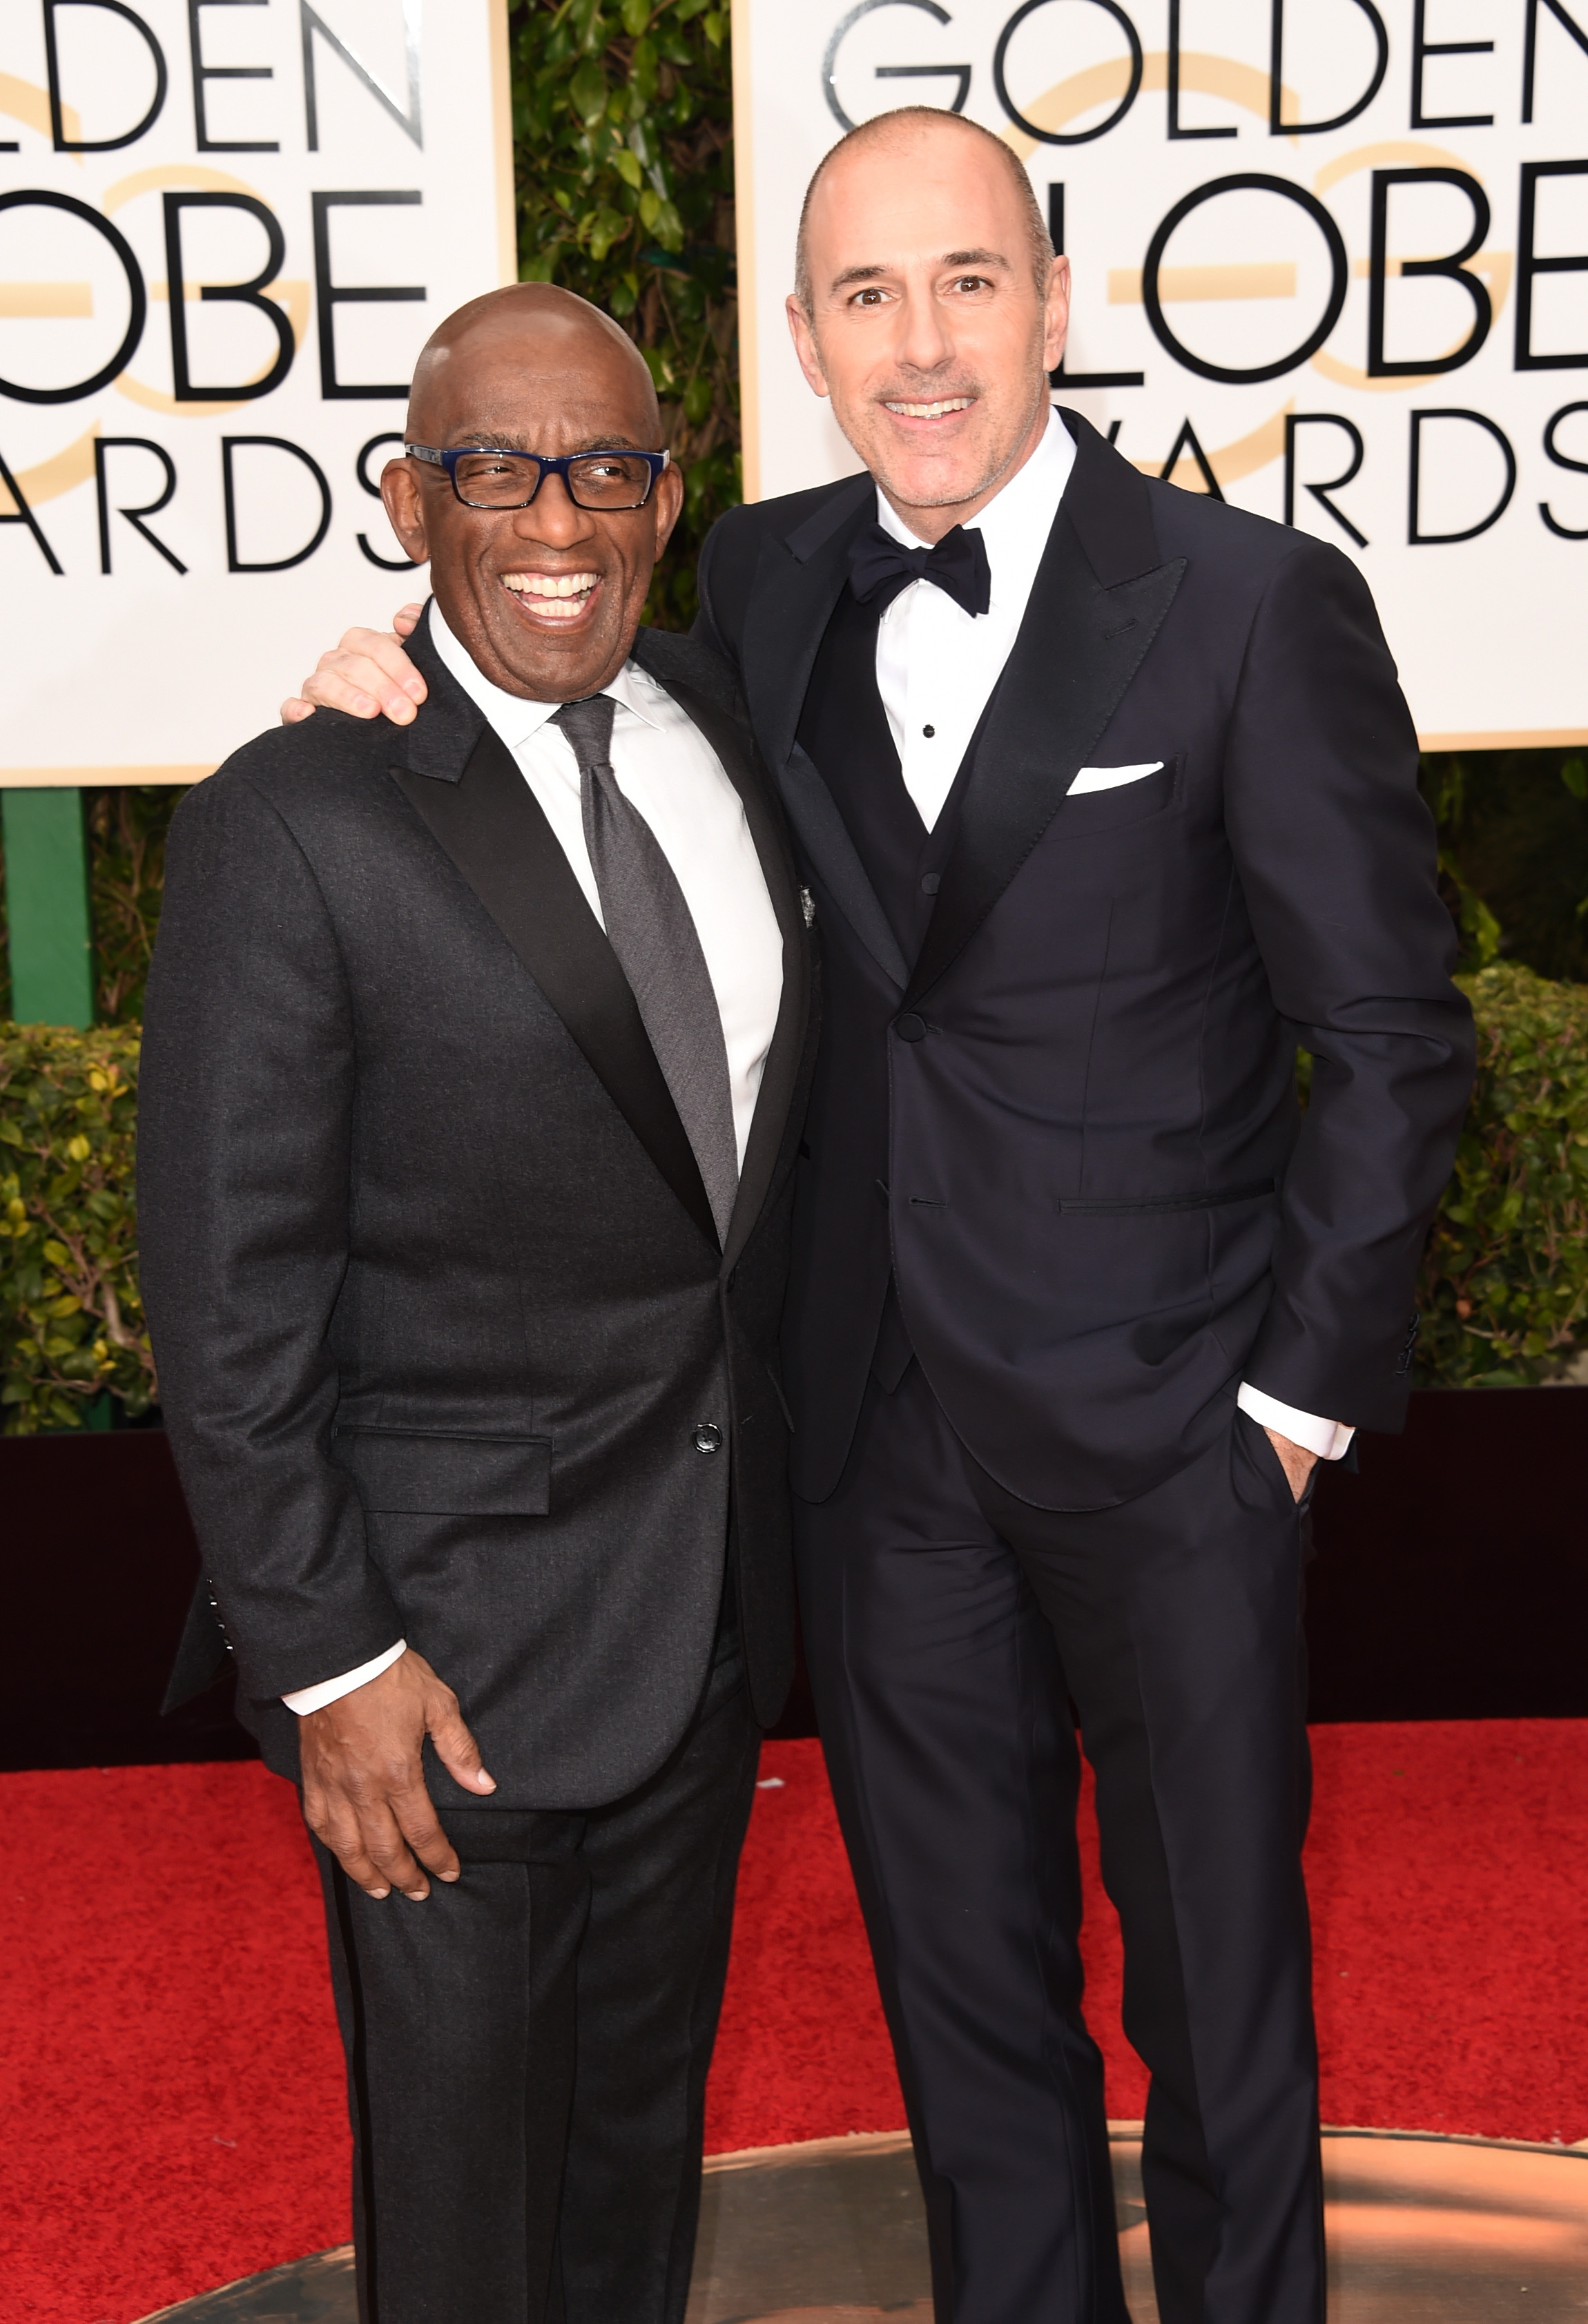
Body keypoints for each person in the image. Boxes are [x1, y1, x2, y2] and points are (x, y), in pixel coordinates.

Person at [286, 108, 1474, 2324]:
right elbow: (562, 691)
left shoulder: (1247, 605)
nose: (917, 345)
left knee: (1222, 2013)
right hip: (879, 1446)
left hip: (1178, 1431)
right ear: (807, 348)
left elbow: (1396, 1037)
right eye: (861, 298)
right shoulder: (758, 577)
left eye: (960, 284)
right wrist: (382, 684)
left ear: (1048, 300)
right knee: (965, 2018)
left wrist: (1291, 1407)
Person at [137, 282, 814, 2324]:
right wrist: (330, 1663)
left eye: (606, 469)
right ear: (409, 495)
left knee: (630, 2180)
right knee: (462, 2228)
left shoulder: (733, 735)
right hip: (441, 1671)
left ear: (668, 495)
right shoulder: (299, 815)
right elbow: (227, 1280)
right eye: (494, 468)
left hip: (696, 1617)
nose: (556, 521)